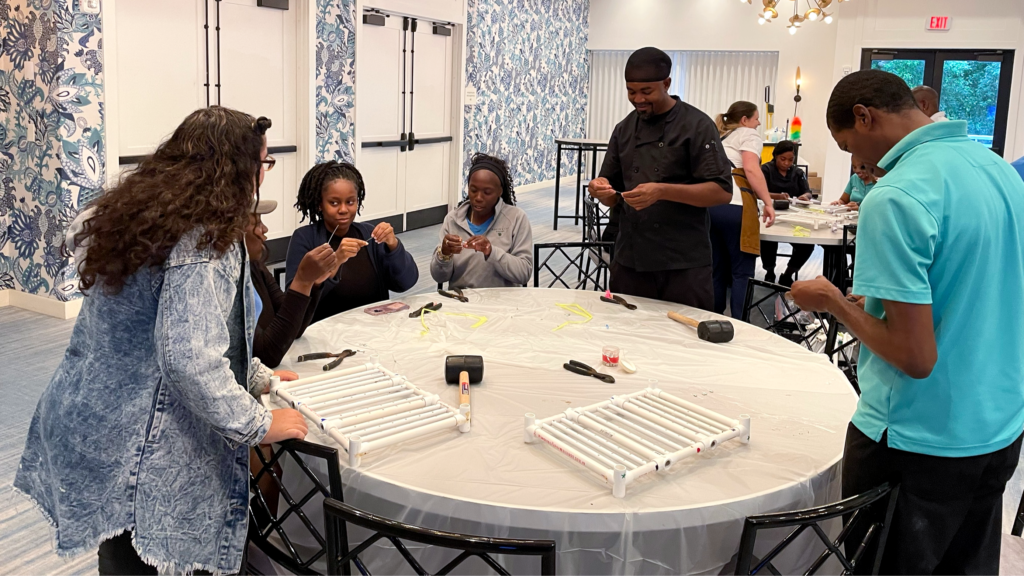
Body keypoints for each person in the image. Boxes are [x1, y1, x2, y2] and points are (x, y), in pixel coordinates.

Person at [15, 107, 310, 576]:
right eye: (264, 163)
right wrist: (259, 424)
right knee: (142, 549)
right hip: (135, 432)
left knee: (121, 545)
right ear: (237, 169)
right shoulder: (202, 240)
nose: (262, 175)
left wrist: (252, 374)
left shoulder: (144, 218)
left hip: (94, 418)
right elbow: (188, 359)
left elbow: (175, 327)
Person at [791, 69, 1024, 574]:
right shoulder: (998, 170)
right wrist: (872, 304)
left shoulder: (896, 196)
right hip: (999, 425)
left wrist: (835, 302)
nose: (858, 162)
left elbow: (916, 357)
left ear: (863, 116)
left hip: (920, 437)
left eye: (848, 143)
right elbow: (977, 286)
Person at [588, 47, 732, 309]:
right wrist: (599, 189)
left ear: (666, 83)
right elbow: (610, 194)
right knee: (627, 334)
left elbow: (721, 191)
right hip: (630, 257)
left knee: (684, 341)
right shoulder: (624, 129)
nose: (637, 99)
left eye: (646, 92)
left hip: (683, 261)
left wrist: (662, 191)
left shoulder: (697, 125)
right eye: (631, 92)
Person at [287, 162, 418, 321]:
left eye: (350, 202)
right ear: (320, 204)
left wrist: (393, 245)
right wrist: (336, 261)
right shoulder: (304, 238)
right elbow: (293, 305)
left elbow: (405, 283)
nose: (343, 210)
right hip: (325, 334)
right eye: (334, 203)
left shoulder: (369, 233)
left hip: (375, 328)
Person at [247, 199, 341, 367]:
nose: (265, 229)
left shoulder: (255, 268)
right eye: (257, 222)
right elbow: (266, 356)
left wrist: (313, 283)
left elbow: (293, 329)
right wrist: (302, 281)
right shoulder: (226, 285)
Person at [708, 101, 775, 318]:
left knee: (716, 270)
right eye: (756, 119)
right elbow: (751, 168)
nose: (758, 124)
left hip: (710, 207)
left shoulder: (720, 138)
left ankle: (713, 317)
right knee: (741, 272)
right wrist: (767, 201)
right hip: (736, 207)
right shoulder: (748, 134)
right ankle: (740, 324)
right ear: (745, 120)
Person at [431, 153, 533, 288]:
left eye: (487, 192)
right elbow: (439, 277)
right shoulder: (452, 220)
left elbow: (523, 273)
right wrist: (444, 254)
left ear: (500, 191)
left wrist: (491, 252)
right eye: (473, 190)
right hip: (462, 302)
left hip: (502, 304)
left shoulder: (516, 218)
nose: (478, 197)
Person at [759, 140, 813, 285]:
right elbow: (758, 192)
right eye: (783, 159)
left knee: (808, 245)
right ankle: (769, 271)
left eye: (790, 160)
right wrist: (777, 196)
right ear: (775, 156)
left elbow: (808, 192)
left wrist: (805, 197)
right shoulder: (766, 170)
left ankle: (788, 274)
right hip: (770, 216)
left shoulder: (798, 172)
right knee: (768, 239)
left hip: (794, 218)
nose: (786, 163)